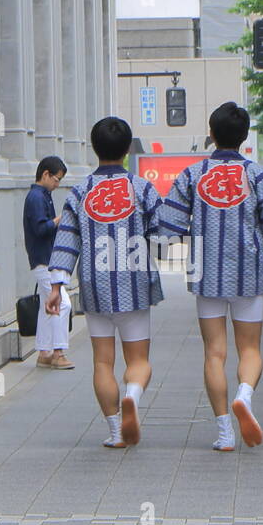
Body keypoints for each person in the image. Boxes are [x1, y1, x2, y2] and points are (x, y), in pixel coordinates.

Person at [159, 101, 263, 452]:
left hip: (207, 273)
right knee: (250, 349)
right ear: (244, 137)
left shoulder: (192, 174)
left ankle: (224, 433)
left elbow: (168, 226)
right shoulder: (259, 174)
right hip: (249, 273)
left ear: (212, 134)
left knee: (214, 353)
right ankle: (244, 398)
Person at [45, 117, 165, 448]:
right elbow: (163, 233)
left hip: (95, 285)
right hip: (135, 282)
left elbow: (66, 239)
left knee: (102, 361)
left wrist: (56, 285)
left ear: (94, 148)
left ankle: (115, 431)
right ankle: (133, 395)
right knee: (138, 361)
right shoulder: (142, 188)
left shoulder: (80, 191)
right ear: (128, 150)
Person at [23, 156, 73, 370]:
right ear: (45, 174)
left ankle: (45, 352)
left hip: (43, 258)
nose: (57, 184)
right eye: (56, 179)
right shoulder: (36, 197)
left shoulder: (41, 195)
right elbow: (41, 229)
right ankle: (58, 352)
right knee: (62, 303)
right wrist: (59, 220)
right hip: (44, 259)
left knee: (48, 305)